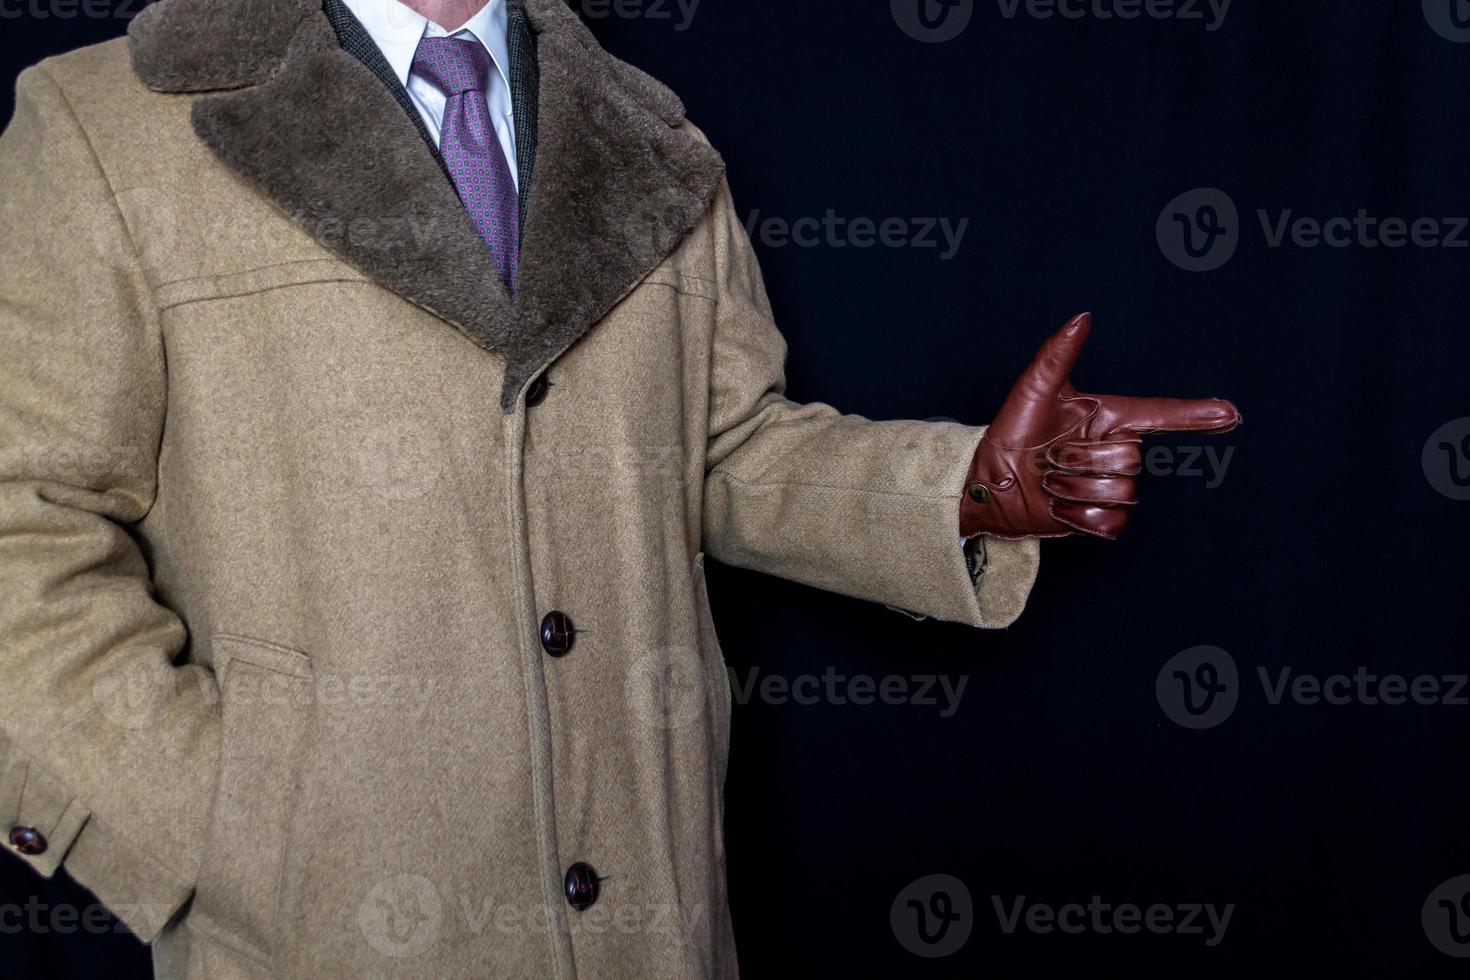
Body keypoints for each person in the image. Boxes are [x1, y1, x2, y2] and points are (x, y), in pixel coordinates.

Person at [0, 0, 1240, 976]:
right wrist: (218, 828)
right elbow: (21, 520)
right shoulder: (109, 126)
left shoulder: (651, 131)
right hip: (329, 932)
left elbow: (725, 451)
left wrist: (966, 488)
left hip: (649, 917)